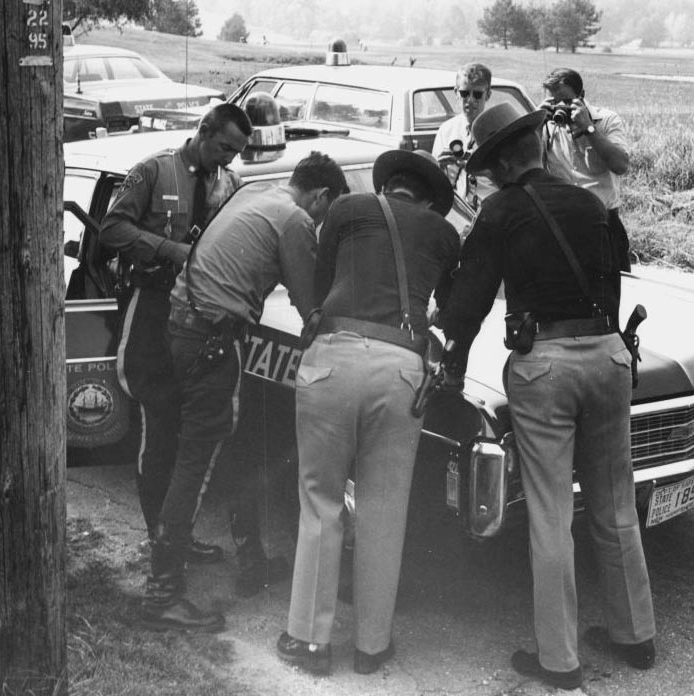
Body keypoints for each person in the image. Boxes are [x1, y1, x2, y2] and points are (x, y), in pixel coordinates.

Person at [437, 102, 656, 690]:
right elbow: (613, 280)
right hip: (610, 356)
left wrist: (447, 355)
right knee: (615, 502)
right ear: (536, 145)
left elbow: (467, 306)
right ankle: (636, 636)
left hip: (545, 367)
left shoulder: (501, 211)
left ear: (505, 159)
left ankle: (559, 660)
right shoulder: (591, 204)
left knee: (551, 514)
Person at [141, 151, 349, 632]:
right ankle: (162, 595)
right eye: (326, 212)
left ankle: (225, 560)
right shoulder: (295, 220)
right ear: (320, 197)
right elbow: (308, 305)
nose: (321, 222)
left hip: (184, 327)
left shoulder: (256, 194)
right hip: (213, 339)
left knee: (202, 454)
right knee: (198, 462)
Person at [277, 150, 460, 674]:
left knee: (320, 501)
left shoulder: (347, 209)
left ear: (388, 187)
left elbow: (319, 284)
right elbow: (447, 307)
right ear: (428, 200)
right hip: (402, 367)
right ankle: (371, 647)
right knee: (384, 510)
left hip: (333, 359)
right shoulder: (444, 235)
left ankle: (310, 643)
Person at [100, 103, 251, 564]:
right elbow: (111, 229)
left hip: (201, 315)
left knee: (195, 431)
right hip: (152, 307)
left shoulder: (230, 184)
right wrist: (170, 250)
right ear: (203, 131)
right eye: (224, 147)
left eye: (237, 152)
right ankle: (158, 538)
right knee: (159, 426)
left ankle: (178, 535)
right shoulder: (153, 171)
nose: (227, 159)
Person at [540, 68, 633, 303]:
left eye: (567, 102)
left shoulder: (607, 120)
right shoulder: (549, 127)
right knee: (566, 299)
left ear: (582, 95)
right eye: (555, 102)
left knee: (611, 298)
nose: (561, 108)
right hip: (563, 223)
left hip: (602, 223)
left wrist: (588, 129)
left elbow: (621, 165)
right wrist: (536, 124)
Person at [431, 62, 497, 207]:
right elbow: (435, 182)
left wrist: (484, 170)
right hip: (460, 210)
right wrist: (440, 166)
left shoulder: (499, 129)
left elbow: (512, 180)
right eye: (464, 93)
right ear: (456, 92)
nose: (470, 100)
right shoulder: (446, 130)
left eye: (478, 94)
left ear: (488, 95)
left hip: (491, 209)